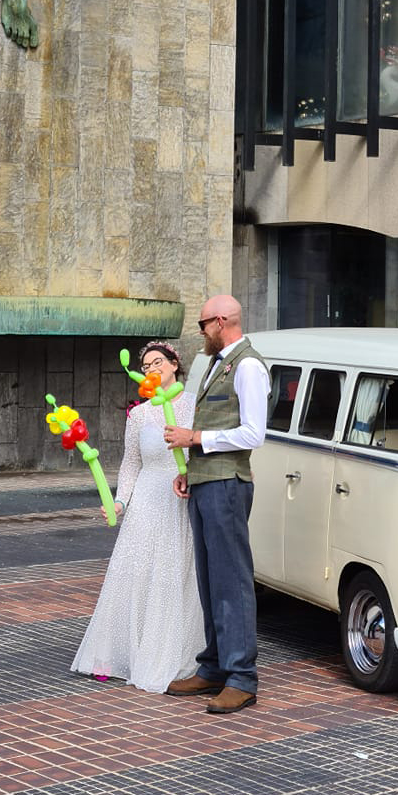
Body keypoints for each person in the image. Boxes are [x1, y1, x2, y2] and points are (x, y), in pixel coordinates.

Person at [69, 342, 204, 693]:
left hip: (181, 497)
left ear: (175, 365)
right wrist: (119, 503)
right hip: (147, 497)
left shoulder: (193, 405)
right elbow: (131, 463)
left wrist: (193, 476)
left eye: (158, 362)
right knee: (135, 574)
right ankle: (115, 655)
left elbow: (202, 449)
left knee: (175, 576)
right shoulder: (139, 414)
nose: (152, 370)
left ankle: (174, 656)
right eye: (145, 366)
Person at [162, 295, 268, 714]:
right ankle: (215, 667)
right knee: (209, 579)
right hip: (209, 481)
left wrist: (197, 439)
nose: (202, 332)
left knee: (231, 581)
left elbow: (253, 434)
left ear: (221, 321)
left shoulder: (249, 366)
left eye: (204, 323)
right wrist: (191, 465)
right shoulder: (219, 362)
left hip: (228, 484)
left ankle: (242, 677)